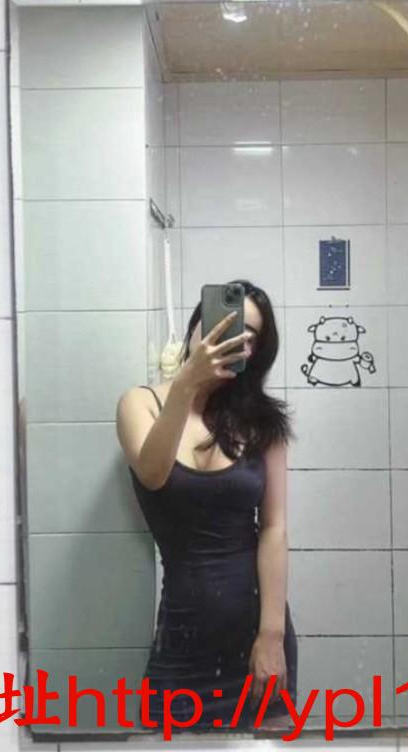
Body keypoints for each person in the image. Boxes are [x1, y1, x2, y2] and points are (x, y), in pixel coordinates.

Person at [115, 279, 297, 733]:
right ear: (198, 324)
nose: (233, 340)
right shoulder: (140, 404)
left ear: (256, 353)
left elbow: (274, 528)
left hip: (258, 636)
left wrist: (272, 636)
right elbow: (153, 474)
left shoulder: (262, 422)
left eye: (248, 337)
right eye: (224, 325)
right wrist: (186, 383)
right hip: (182, 637)